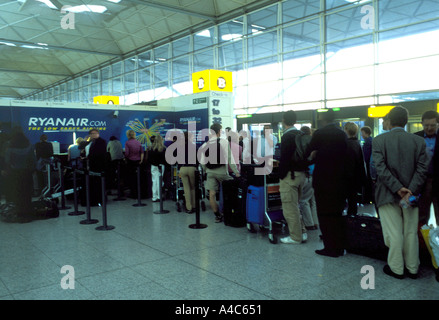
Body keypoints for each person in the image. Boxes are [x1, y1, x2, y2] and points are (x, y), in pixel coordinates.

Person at [372, 106, 428, 279]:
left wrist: (397, 187)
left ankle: (396, 268)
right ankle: (413, 268)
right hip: (412, 195)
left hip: (387, 194)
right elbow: (422, 168)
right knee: (411, 230)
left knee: (393, 232)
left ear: (390, 120)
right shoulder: (418, 141)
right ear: (406, 120)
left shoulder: (379, 140)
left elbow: (380, 168)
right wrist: (410, 189)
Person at [306, 109, 348, 257]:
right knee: (337, 214)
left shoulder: (319, 134)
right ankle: (340, 246)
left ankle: (330, 247)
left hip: (323, 180)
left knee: (324, 214)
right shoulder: (342, 134)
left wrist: (314, 156)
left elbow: (309, 153)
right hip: (339, 180)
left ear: (323, 119)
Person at [278, 111, 309, 244]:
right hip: (302, 174)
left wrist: (280, 174)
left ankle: (295, 237)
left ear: (284, 120)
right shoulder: (300, 134)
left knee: (289, 208)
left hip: (290, 176)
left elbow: (285, 159)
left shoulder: (287, 136)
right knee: (296, 205)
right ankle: (302, 232)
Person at [200, 123, 240, 223]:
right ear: (219, 131)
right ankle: (230, 212)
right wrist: (236, 172)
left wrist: (206, 170)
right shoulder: (224, 142)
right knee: (231, 188)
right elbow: (230, 159)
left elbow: (202, 161)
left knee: (212, 194)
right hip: (222, 171)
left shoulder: (205, 144)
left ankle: (217, 215)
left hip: (210, 172)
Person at [2, 128, 36, 221]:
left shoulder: (10, 148)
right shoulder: (29, 146)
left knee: (17, 194)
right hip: (27, 173)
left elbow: (7, 161)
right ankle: (28, 214)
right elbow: (33, 161)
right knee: (27, 194)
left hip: (15, 174)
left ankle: (19, 214)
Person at [414, 110, 439, 226]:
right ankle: (422, 243)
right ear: (422, 124)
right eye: (426, 125)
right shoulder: (415, 138)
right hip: (422, 183)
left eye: (432, 125)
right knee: (421, 218)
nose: (429, 128)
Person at [298, 126, 318, 231]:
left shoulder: (304, 144)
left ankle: (309, 223)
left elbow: (306, 159)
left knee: (303, 200)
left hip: (308, 173)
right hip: (315, 173)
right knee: (312, 200)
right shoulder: (315, 144)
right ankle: (315, 222)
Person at [345, 122, 367, 215]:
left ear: (346, 130)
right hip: (356, 177)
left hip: (347, 177)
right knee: (353, 201)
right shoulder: (357, 143)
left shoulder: (345, 144)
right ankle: (352, 218)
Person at [178, 131, 198, 213]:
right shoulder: (194, 147)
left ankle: (188, 207)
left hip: (183, 168)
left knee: (186, 188)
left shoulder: (180, 147)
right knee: (193, 188)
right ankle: (194, 206)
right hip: (192, 168)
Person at [125, 130, 145, 198]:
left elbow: (127, 153)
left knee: (131, 179)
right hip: (138, 162)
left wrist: (125, 158)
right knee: (138, 179)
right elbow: (142, 152)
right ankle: (139, 193)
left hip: (130, 162)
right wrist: (141, 160)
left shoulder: (127, 143)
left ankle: (133, 194)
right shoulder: (138, 142)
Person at [148, 134, 166, 202]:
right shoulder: (163, 148)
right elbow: (165, 159)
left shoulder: (151, 148)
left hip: (153, 166)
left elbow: (149, 159)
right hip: (160, 166)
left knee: (154, 181)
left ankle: (154, 197)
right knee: (159, 181)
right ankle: (159, 196)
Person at [360, 126, 373, 204]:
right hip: (370, 166)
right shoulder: (371, 140)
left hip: (367, 166)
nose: (361, 135)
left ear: (366, 133)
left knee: (367, 183)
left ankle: (367, 199)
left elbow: (365, 157)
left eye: (362, 133)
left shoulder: (368, 142)